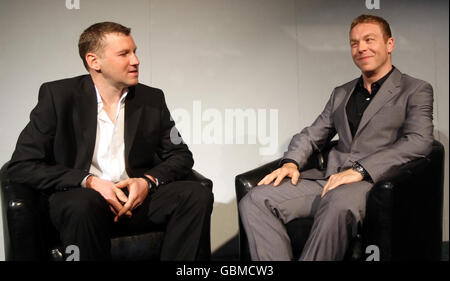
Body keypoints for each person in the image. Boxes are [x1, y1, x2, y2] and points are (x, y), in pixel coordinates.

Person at [7, 22, 213, 261]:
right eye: (124, 54)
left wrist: (147, 181)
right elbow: (22, 165)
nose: (135, 60)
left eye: (135, 51)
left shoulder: (151, 98)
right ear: (94, 61)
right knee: (83, 205)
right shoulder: (58, 97)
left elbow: (180, 155)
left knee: (195, 194)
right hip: (81, 198)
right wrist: (89, 181)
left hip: (133, 198)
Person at [238, 14, 434, 261]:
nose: (361, 47)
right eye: (354, 43)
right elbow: (312, 134)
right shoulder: (341, 93)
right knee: (255, 199)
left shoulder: (415, 89)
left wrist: (361, 170)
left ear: (389, 44)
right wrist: (291, 163)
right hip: (328, 181)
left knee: (338, 201)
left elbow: (419, 141)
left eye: (369, 39)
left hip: (371, 185)